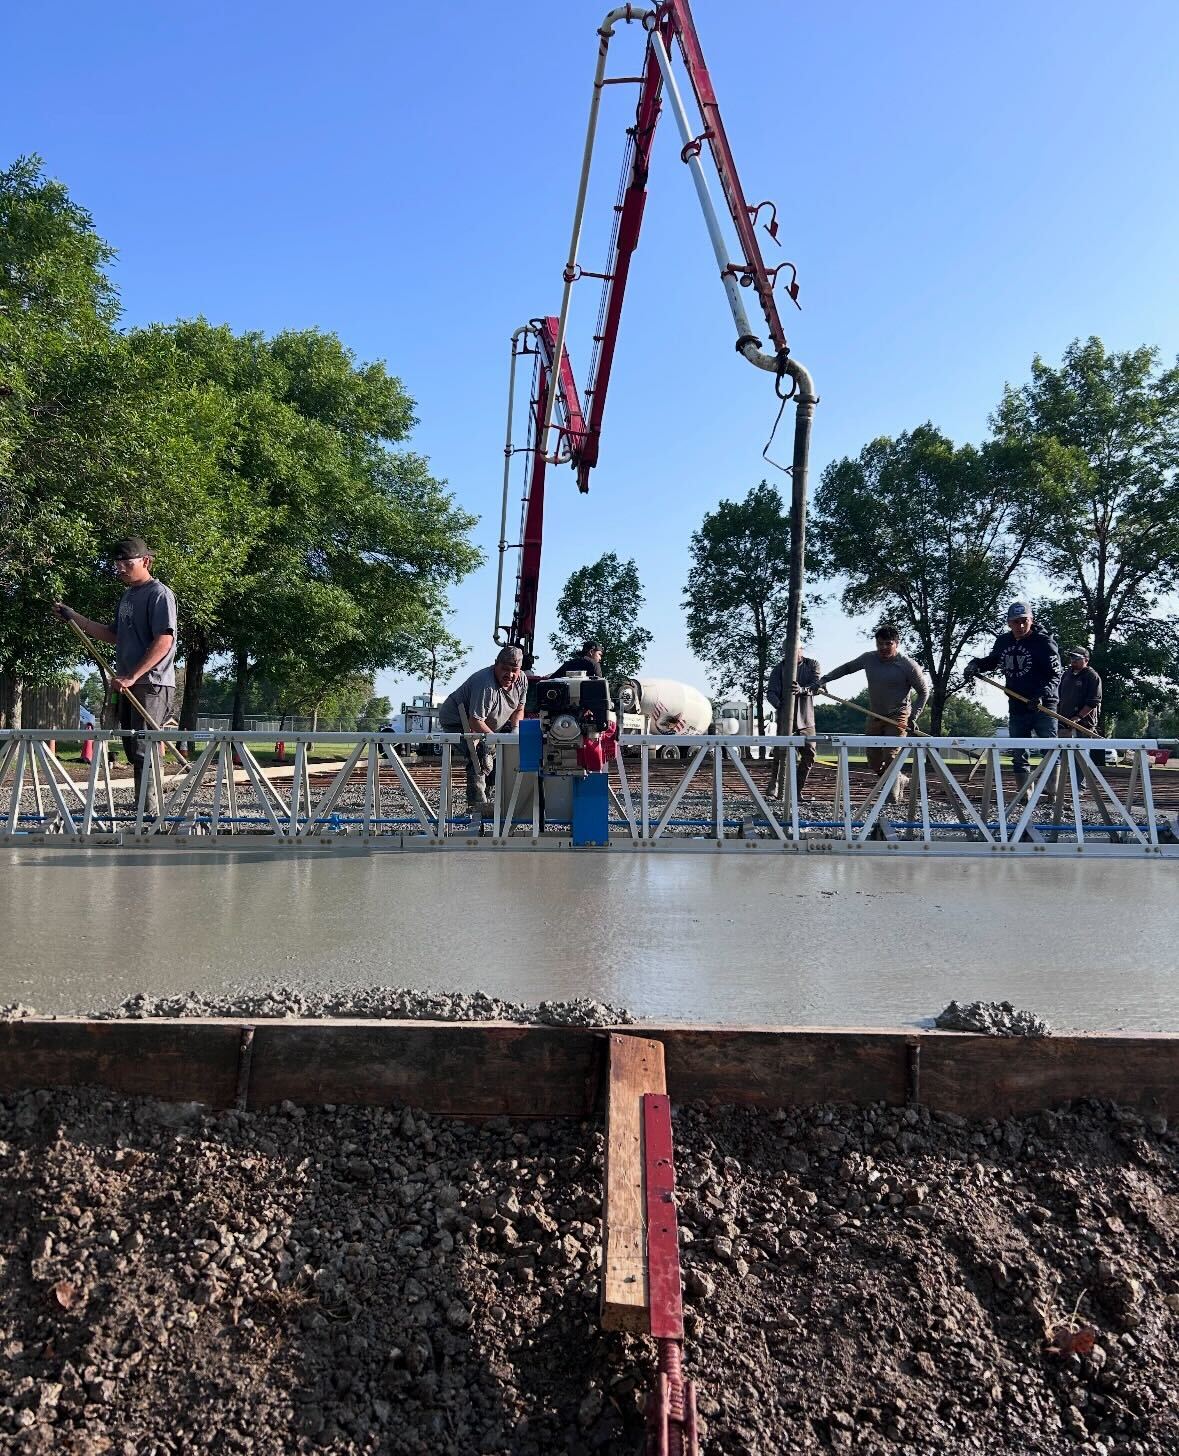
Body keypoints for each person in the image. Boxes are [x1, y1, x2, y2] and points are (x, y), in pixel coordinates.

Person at [54, 537, 178, 816]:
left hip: (151, 684)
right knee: (133, 749)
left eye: (127, 563)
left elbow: (164, 641)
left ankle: (150, 816)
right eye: (117, 564)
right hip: (128, 683)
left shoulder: (159, 594)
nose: (120, 569)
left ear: (145, 561)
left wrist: (133, 675)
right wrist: (75, 618)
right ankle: (142, 812)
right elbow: (113, 635)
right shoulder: (128, 596)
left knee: (145, 750)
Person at [821, 624, 930, 801]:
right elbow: (847, 668)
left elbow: (924, 692)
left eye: (888, 644)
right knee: (873, 760)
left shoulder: (908, 665)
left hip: (899, 715)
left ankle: (891, 790)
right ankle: (898, 779)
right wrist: (824, 679)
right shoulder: (869, 659)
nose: (883, 648)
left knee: (890, 754)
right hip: (875, 714)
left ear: (897, 643)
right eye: (880, 644)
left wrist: (913, 716)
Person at [963, 601, 1062, 787]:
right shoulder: (1003, 641)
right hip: (1017, 704)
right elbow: (992, 661)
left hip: (1043, 706)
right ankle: (1024, 795)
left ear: (1031, 620)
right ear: (1009, 623)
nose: (1021, 625)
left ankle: (1052, 795)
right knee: (1018, 752)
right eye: (1016, 622)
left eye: (1024, 621)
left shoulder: (1044, 642)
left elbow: (1056, 675)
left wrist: (1041, 694)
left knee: (1049, 750)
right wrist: (976, 664)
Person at [438, 645, 528, 813]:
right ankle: (477, 805)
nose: (509, 675)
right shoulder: (485, 684)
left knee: (500, 758)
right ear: (495, 664)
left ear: (520, 669)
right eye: (504, 669)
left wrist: (515, 730)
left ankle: (489, 800)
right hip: (459, 721)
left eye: (514, 670)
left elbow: (519, 709)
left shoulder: (522, 680)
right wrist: (495, 742)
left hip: (490, 724)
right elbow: (475, 720)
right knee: (480, 754)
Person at [764, 644, 821, 801]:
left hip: (806, 721)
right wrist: (781, 705)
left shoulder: (812, 665)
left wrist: (802, 690)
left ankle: (796, 790)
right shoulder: (778, 669)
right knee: (780, 754)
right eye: (787, 651)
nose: (790, 654)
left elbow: (816, 685)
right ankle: (774, 787)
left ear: (801, 650)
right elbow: (771, 693)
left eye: (795, 650)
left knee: (809, 754)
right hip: (785, 721)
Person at [1057, 646, 1104, 764]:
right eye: (1072, 657)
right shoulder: (1066, 674)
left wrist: (1078, 717)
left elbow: (1093, 701)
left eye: (1077, 658)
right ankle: (1064, 782)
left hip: (1084, 724)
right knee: (1062, 758)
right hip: (1064, 723)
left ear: (1086, 660)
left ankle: (1080, 783)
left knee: (1080, 760)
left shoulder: (1092, 676)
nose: (1073, 660)